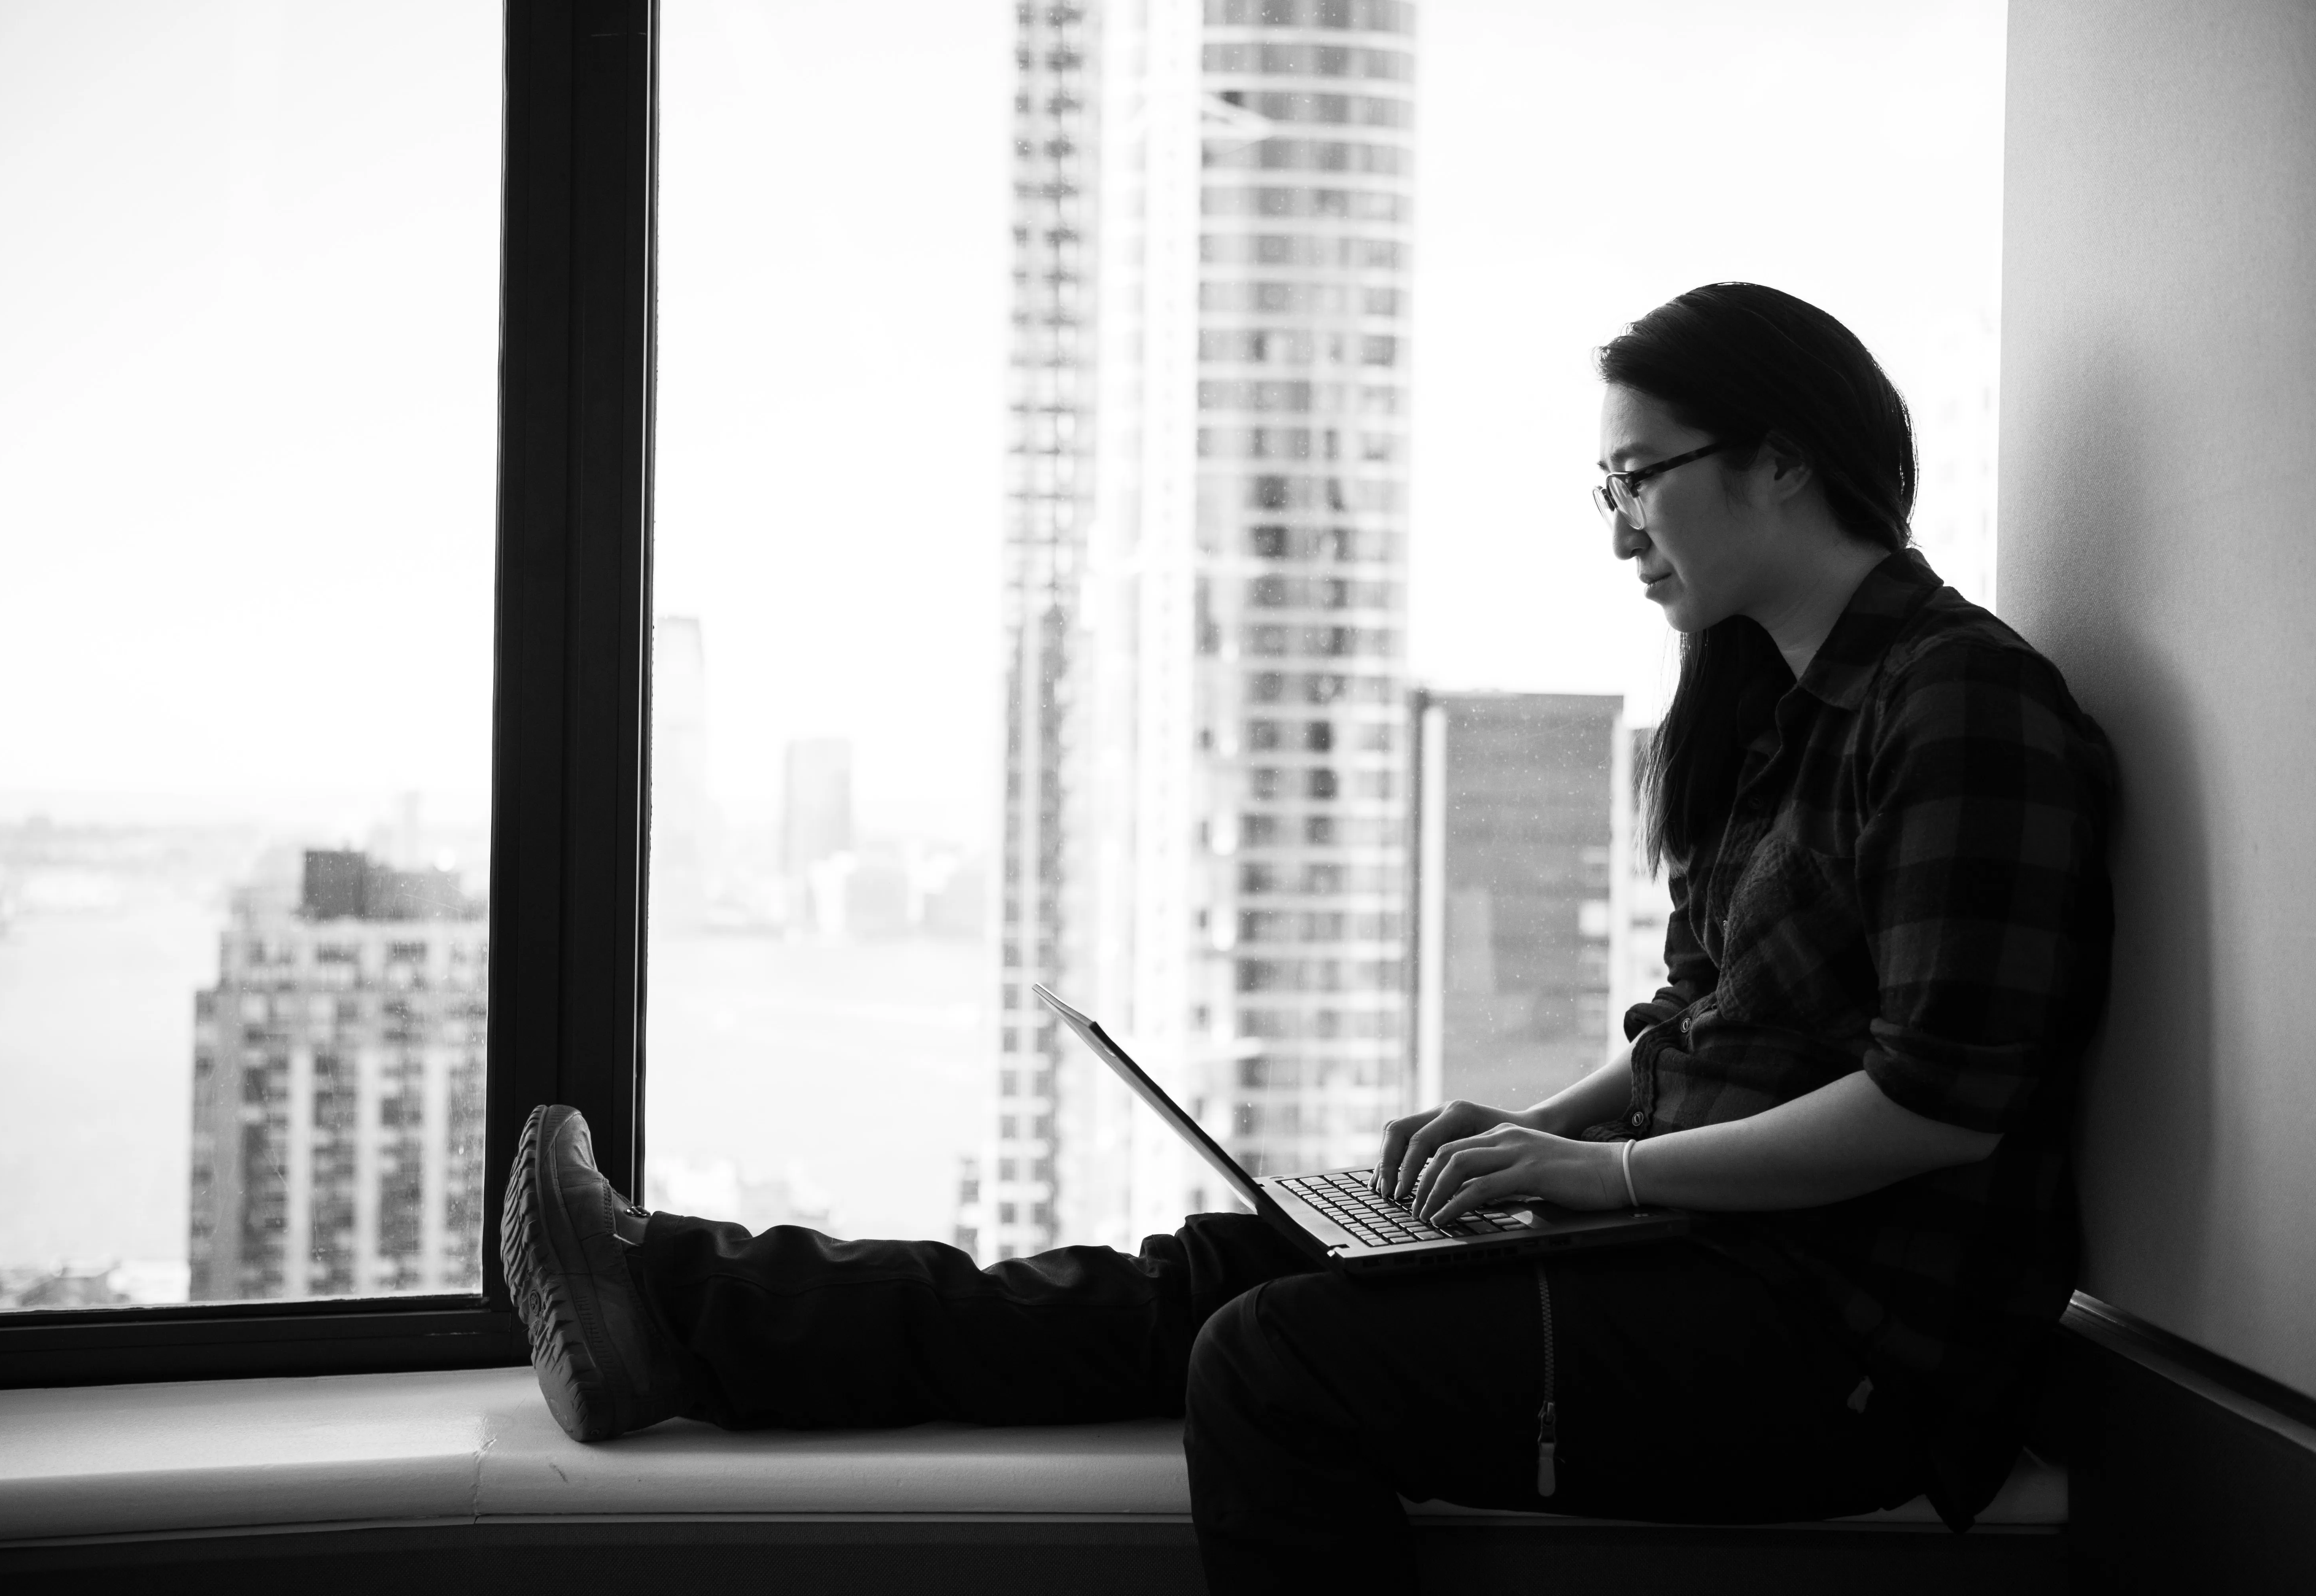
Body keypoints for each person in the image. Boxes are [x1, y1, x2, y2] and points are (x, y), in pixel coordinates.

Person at [500, 282, 2114, 1595]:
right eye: (1602, 488)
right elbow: (1698, 1034)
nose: (1616, 525)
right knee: (1217, 1263)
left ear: (1777, 456)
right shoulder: (1770, 714)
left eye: (1639, 476)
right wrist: (1530, 1135)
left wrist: (1602, 1179)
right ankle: (670, 1303)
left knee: (1277, 1360)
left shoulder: (1957, 703)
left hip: (1840, 1351)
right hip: (1697, 1255)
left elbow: (1937, 1102)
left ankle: (681, 1306)